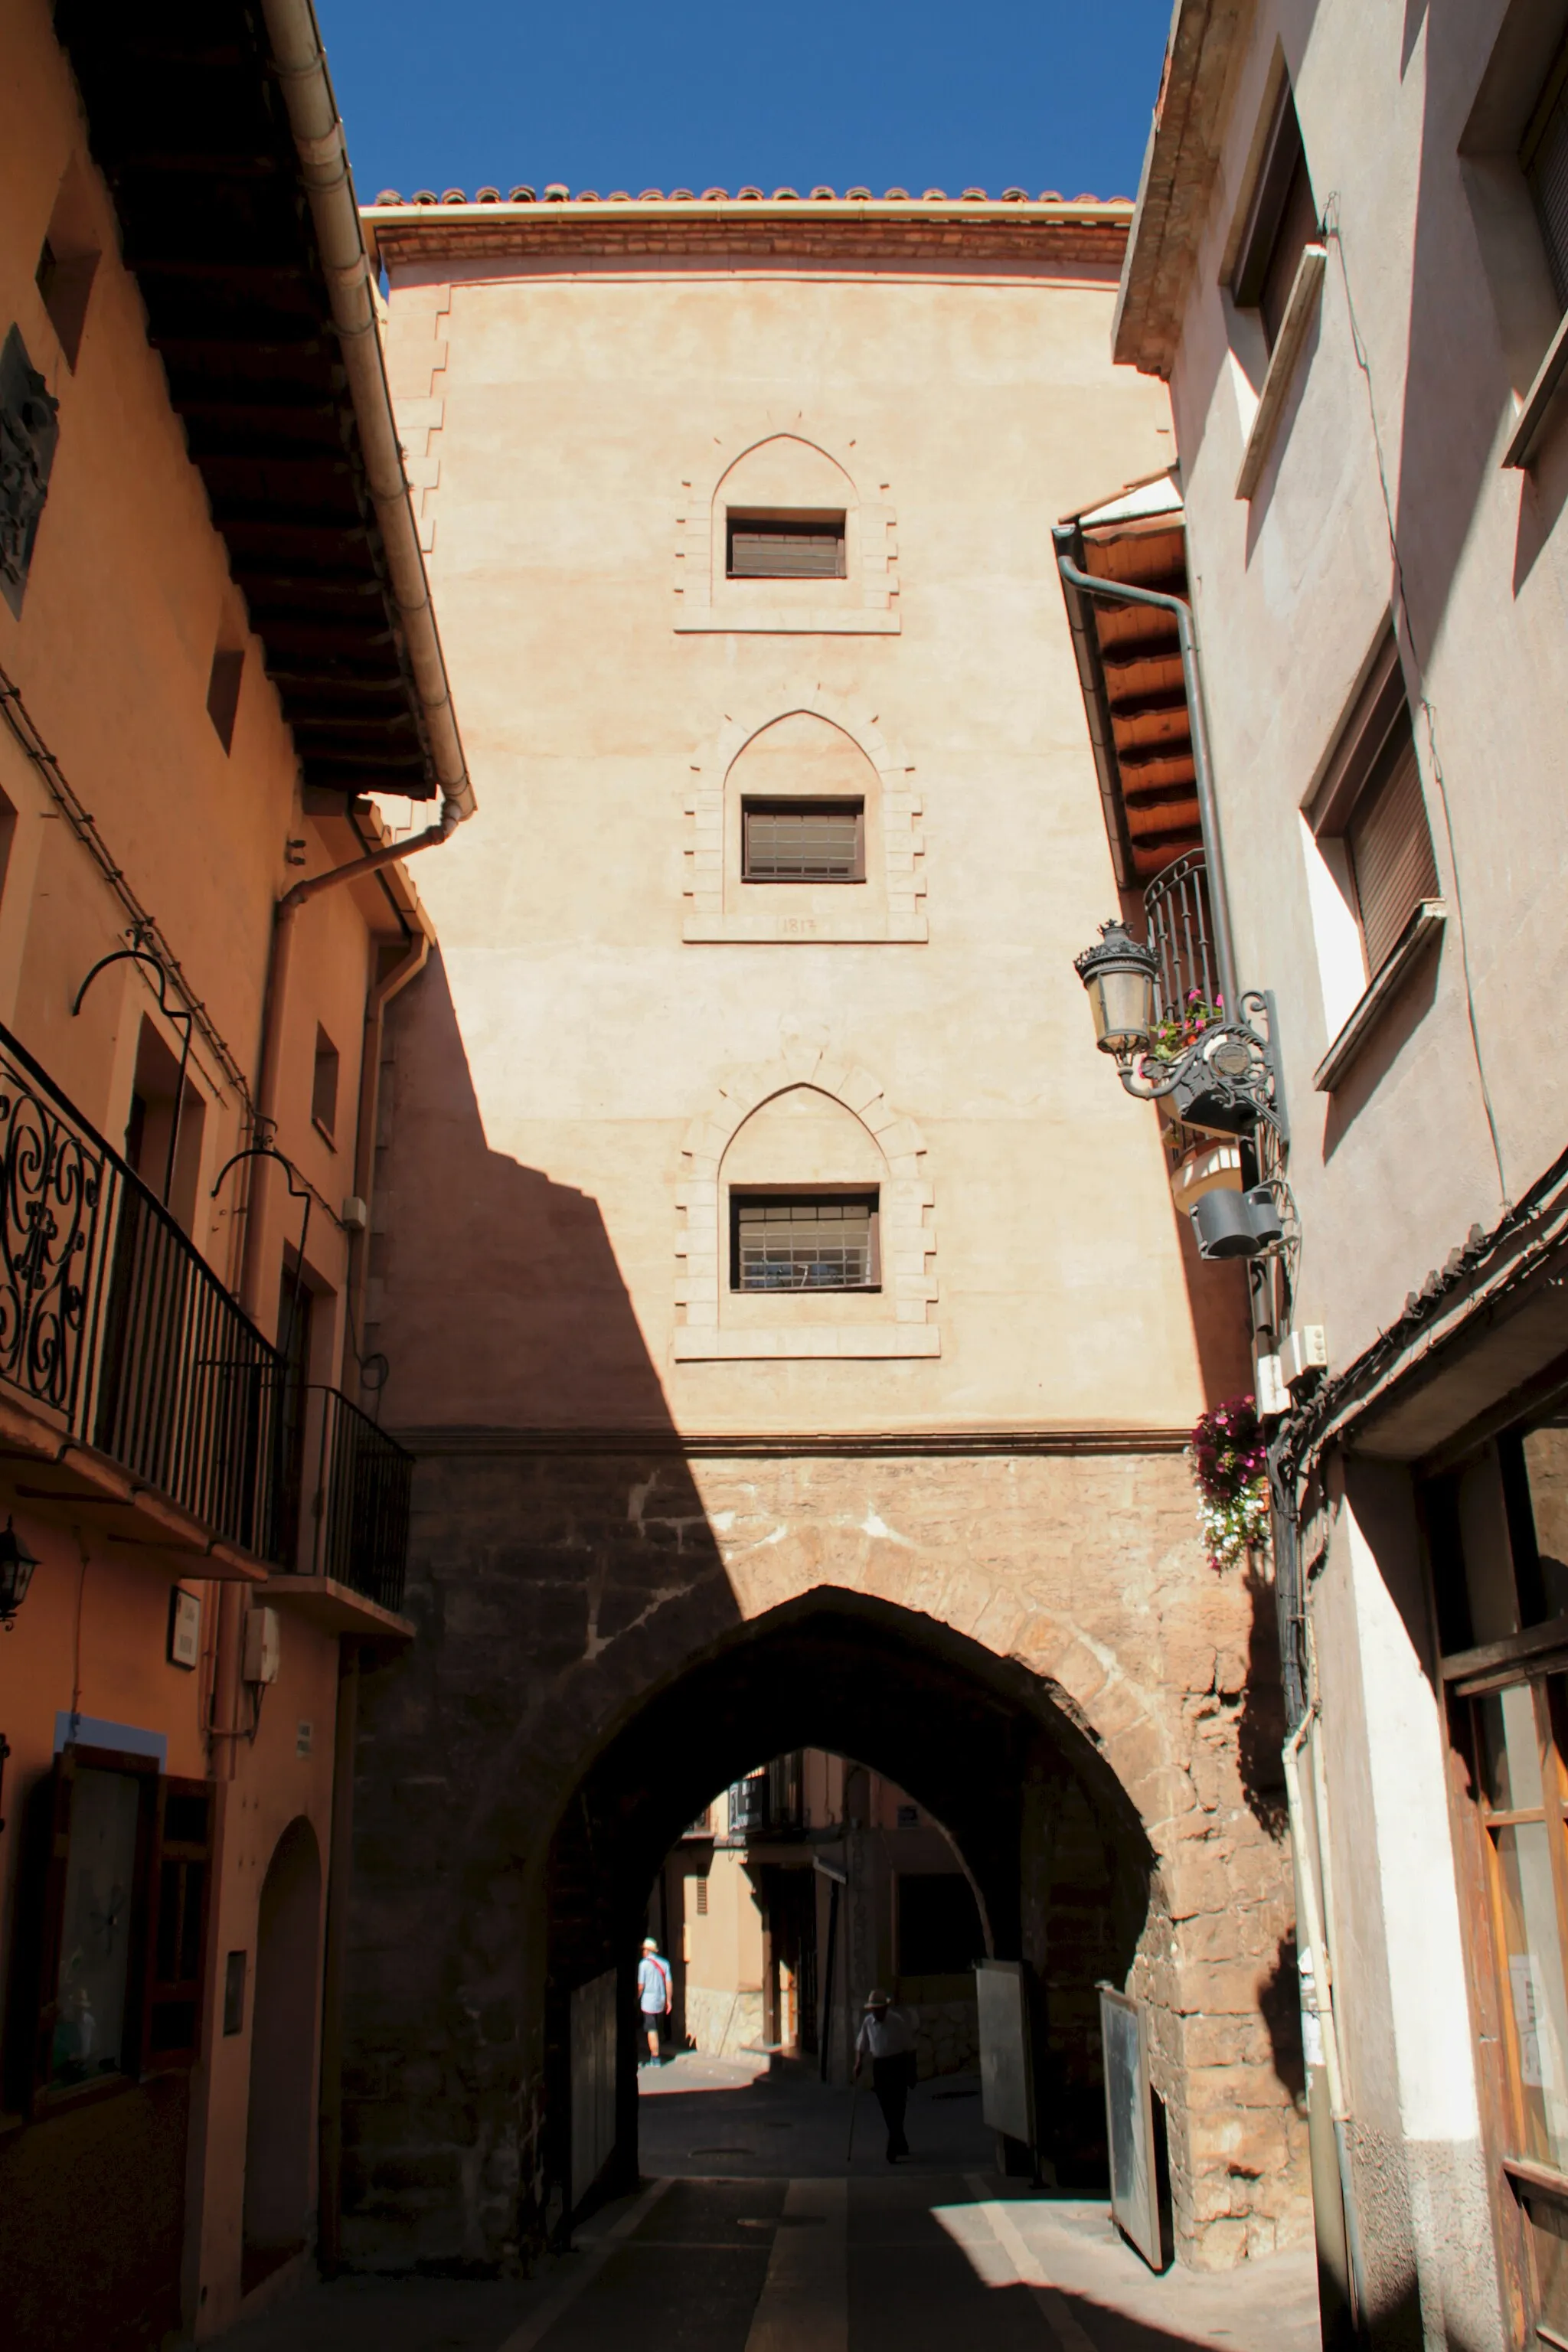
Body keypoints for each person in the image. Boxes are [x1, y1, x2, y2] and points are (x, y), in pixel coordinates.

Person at [854, 1988, 919, 2161]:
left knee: (898, 2106)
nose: (876, 2012)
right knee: (886, 2106)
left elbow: (910, 2047)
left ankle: (892, 2146)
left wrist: (912, 2073)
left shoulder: (897, 2022)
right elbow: (862, 2045)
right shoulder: (868, 2023)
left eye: (879, 2009)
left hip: (897, 2064)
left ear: (885, 2008)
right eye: (874, 2009)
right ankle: (900, 2141)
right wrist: (858, 2063)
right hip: (880, 2067)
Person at [638, 1935, 672, 2066]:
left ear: (648, 1951)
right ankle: (659, 2043)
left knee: (651, 2029)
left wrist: (637, 1997)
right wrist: (669, 2000)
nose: (643, 1952)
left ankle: (655, 2057)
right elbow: (668, 1982)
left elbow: (641, 1985)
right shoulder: (665, 1963)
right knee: (657, 2026)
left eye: (644, 1949)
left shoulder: (643, 1965)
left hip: (649, 2001)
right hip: (661, 1999)